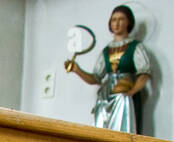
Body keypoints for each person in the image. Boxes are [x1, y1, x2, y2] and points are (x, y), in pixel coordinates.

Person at [65, 4, 152, 133]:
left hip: (125, 89)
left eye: (121, 19)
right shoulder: (106, 51)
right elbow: (96, 78)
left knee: (122, 99)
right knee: (101, 106)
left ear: (128, 22)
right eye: (114, 19)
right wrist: (77, 70)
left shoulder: (135, 47)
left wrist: (131, 91)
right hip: (107, 91)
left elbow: (144, 74)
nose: (116, 23)